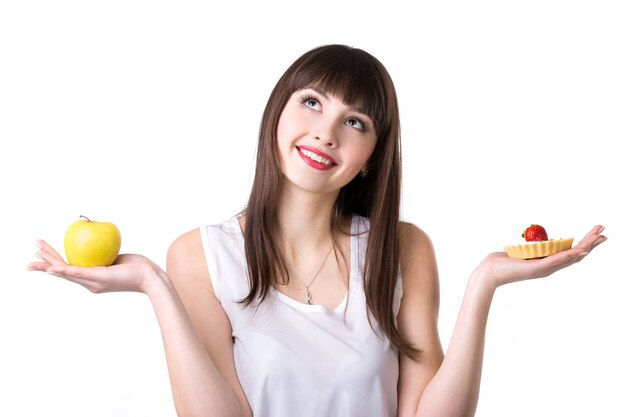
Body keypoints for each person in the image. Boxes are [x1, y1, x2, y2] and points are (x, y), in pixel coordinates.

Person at [28, 44, 607, 417]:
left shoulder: (402, 250)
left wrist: (484, 284)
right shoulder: (200, 256)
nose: (325, 132)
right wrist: (155, 286)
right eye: (310, 103)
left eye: (353, 122)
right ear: (277, 113)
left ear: (372, 156)